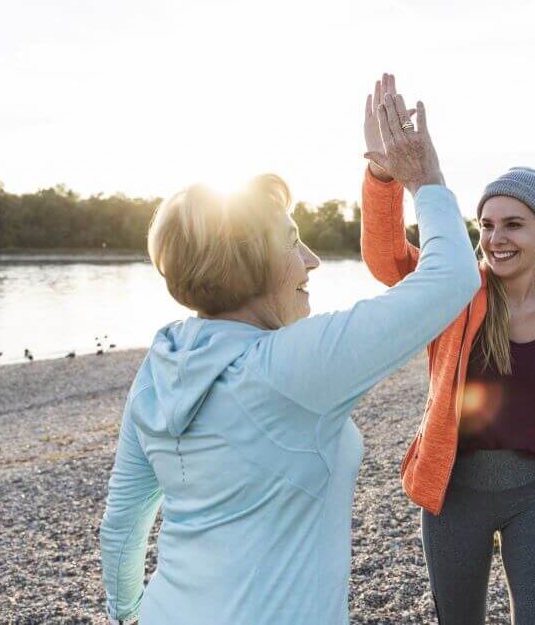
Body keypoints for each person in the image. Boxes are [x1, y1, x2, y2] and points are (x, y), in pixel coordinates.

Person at [98, 78, 480, 625]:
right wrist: (425, 179)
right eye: (292, 241)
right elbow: (451, 278)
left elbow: (123, 524)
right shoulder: (290, 367)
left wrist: (126, 613)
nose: (311, 259)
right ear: (250, 264)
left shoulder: (161, 362)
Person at [361, 74, 535, 625]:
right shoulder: (456, 290)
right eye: (487, 225)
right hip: (454, 492)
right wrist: (383, 177)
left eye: (514, 224)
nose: (496, 238)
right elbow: (387, 259)